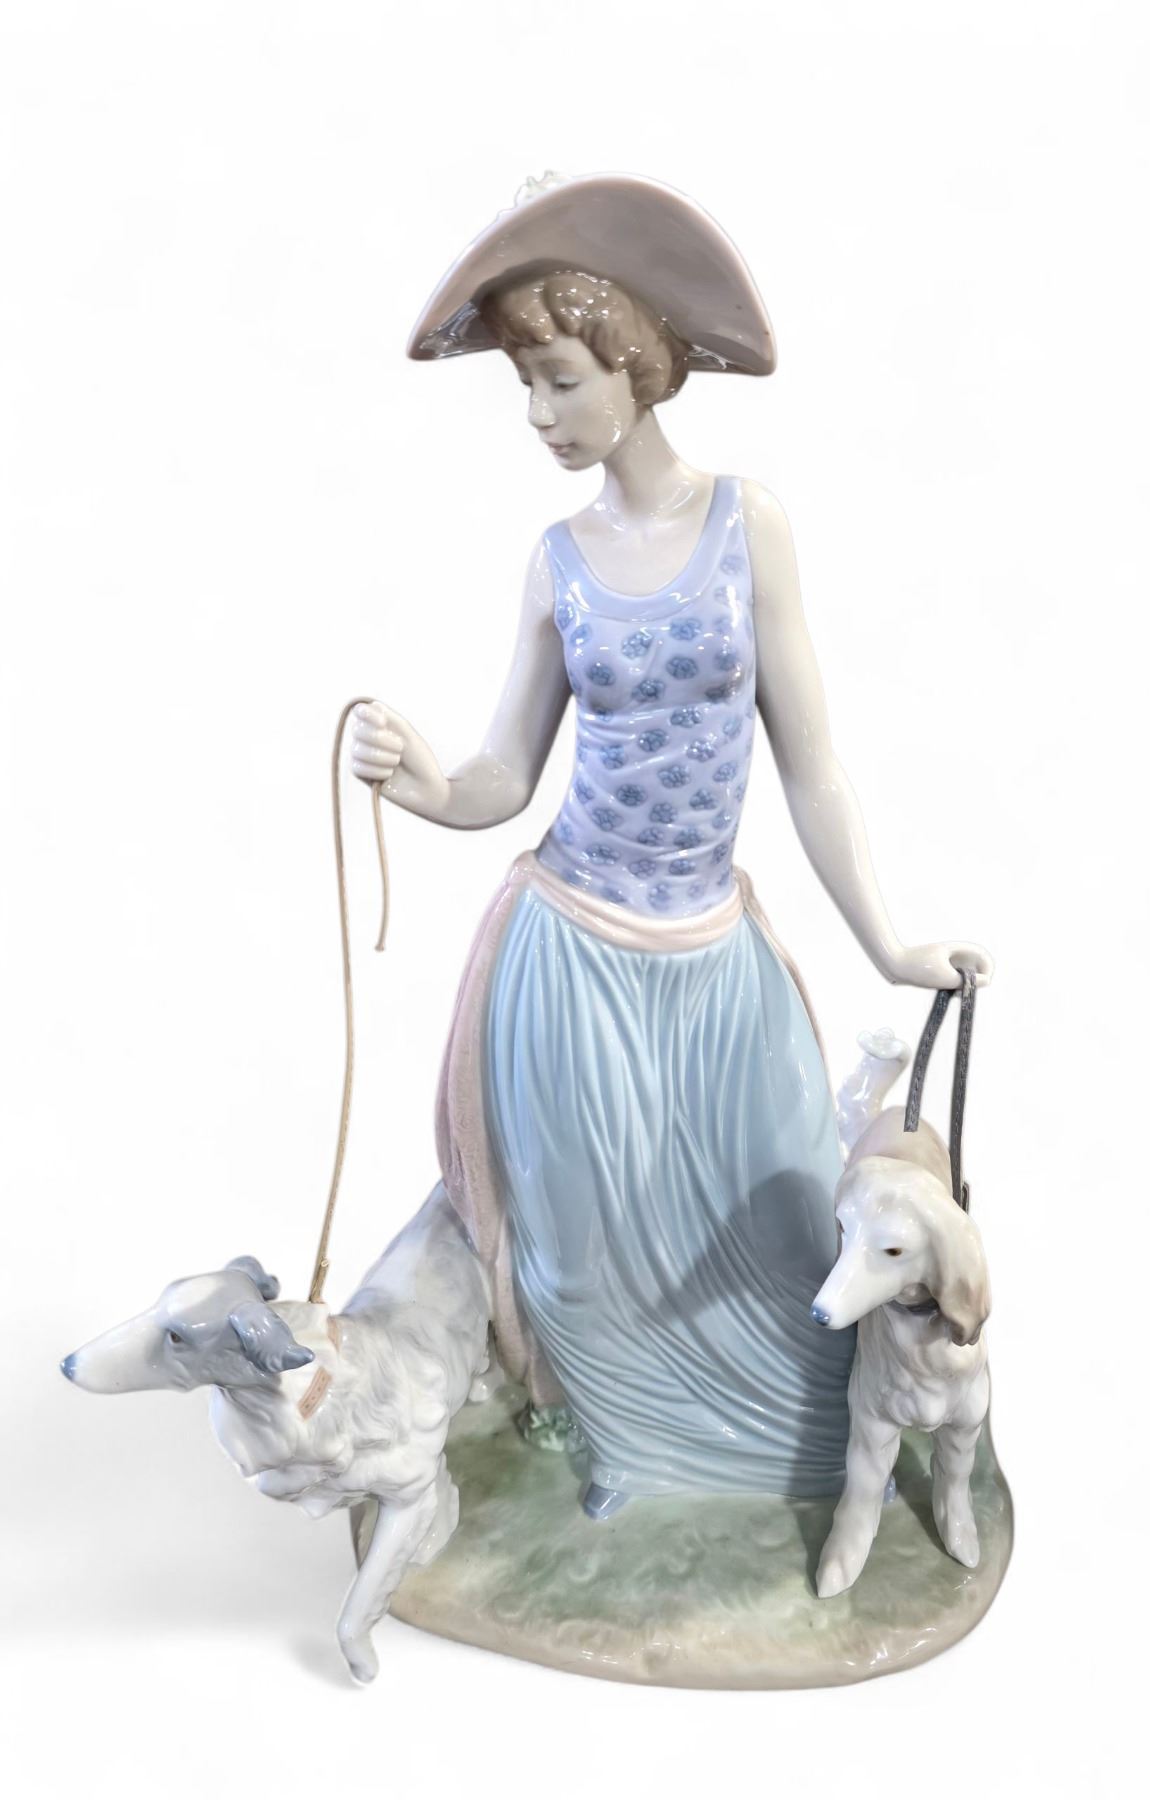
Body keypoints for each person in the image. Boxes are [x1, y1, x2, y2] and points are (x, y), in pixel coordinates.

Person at [351, 174, 992, 1517]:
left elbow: (811, 762)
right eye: (525, 388)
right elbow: (502, 776)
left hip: (708, 950)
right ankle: (624, 1449)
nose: (539, 415)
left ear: (634, 367)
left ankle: (794, 1454)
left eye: (559, 381)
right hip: (571, 947)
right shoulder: (557, 560)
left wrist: (888, 942)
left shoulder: (746, 525)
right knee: (580, 1243)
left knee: (774, 1216)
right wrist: (420, 781)